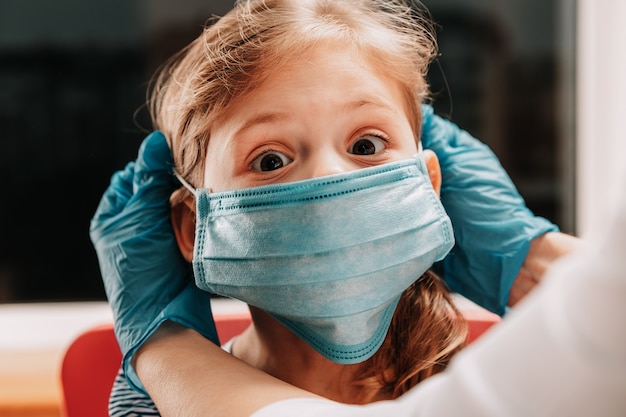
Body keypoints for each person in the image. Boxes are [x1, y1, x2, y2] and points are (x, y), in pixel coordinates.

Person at [90, 0, 582, 415]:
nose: (329, 177)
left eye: (367, 145)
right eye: (270, 159)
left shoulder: (503, 387)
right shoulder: (155, 406)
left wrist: (529, 255)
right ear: (193, 225)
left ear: (430, 185)